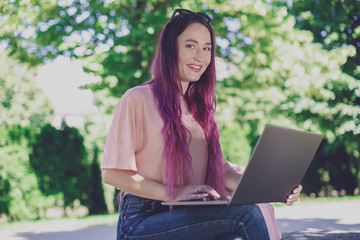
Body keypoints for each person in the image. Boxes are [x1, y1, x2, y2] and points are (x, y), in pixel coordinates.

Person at [101, 8, 302, 240]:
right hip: (142, 220)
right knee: (247, 214)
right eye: (190, 46)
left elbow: (222, 170)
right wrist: (175, 192)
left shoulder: (200, 109)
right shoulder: (137, 98)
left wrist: (275, 188)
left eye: (207, 48)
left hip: (189, 213)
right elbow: (113, 174)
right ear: (170, 50)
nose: (200, 56)